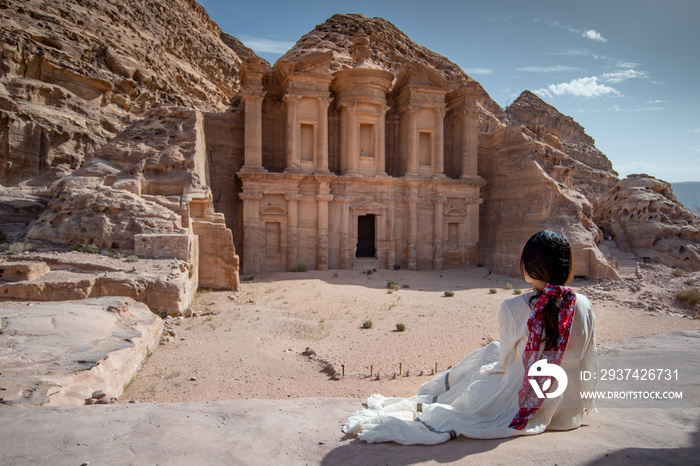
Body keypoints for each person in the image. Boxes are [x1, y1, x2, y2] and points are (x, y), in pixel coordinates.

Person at [343, 230, 598, 445]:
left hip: (525, 404)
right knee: (490, 351)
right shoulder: (584, 305)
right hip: (568, 413)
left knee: (482, 366)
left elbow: (506, 363)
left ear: (529, 266)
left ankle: (434, 396)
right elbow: (589, 358)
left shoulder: (513, 308)